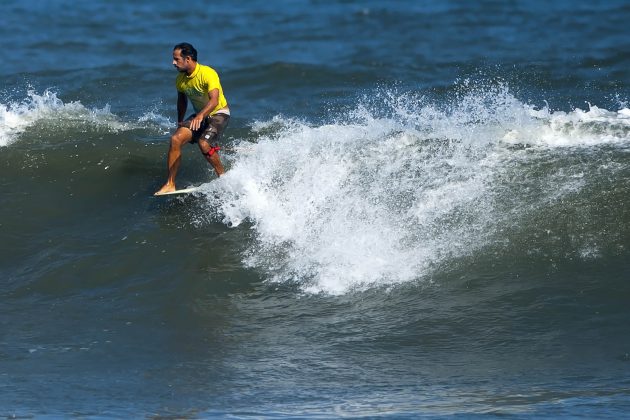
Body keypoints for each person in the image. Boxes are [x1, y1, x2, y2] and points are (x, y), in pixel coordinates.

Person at [155, 42, 230, 195]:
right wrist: (180, 122)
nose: (173, 63)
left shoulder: (207, 73)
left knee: (203, 143)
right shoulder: (180, 80)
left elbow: (214, 100)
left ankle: (224, 178)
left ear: (188, 59)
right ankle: (170, 183)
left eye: (177, 59)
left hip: (218, 113)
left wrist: (201, 115)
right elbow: (182, 102)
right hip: (200, 116)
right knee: (176, 139)